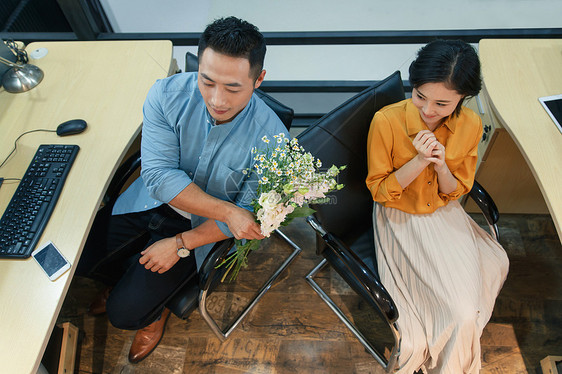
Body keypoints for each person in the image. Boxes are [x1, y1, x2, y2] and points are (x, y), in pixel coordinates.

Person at [77, 16, 289, 363]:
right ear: (198, 65)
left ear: (258, 80)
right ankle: (124, 280)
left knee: (124, 314)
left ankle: (152, 311)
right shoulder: (166, 93)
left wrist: (179, 244)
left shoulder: (274, 141)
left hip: (198, 231)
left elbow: (243, 218)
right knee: (80, 261)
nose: (217, 99)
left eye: (233, 88)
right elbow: (159, 178)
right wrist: (227, 209)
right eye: (207, 81)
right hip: (148, 201)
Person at [366, 40, 509, 373]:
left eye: (442, 103)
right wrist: (418, 161)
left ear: (463, 98)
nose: (428, 110)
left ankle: (455, 348)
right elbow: (380, 191)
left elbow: (453, 192)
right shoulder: (386, 121)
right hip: (400, 216)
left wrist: (441, 164)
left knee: (496, 264)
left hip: (444, 213)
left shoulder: (471, 125)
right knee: (461, 314)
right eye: (419, 96)